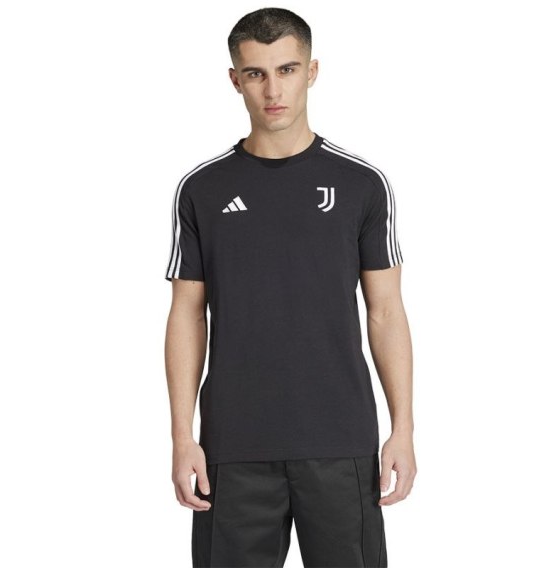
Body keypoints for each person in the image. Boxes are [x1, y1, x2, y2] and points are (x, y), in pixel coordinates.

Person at [164, 7, 416, 567]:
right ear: (235, 79)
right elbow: (187, 313)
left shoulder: (362, 185)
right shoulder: (202, 189)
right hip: (232, 446)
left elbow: (385, 312)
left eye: (287, 70)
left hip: (341, 442)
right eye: (256, 73)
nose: (273, 90)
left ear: (312, 71)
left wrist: (402, 429)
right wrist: (183, 436)